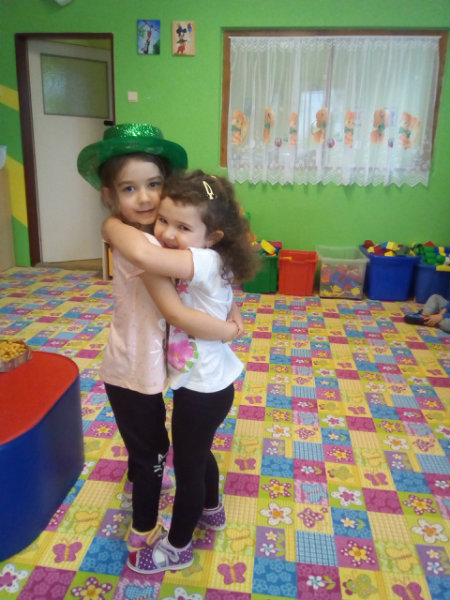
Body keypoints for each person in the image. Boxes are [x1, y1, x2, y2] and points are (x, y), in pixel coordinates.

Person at [77, 124, 243, 554]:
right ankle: (144, 526)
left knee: (175, 449)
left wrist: (232, 311)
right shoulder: (134, 238)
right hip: (135, 362)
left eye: (154, 185)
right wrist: (229, 328)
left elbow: (214, 272)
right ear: (110, 195)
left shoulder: (173, 237)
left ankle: (176, 507)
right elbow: (161, 277)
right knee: (154, 449)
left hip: (178, 368)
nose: (146, 199)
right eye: (129, 188)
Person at [102, 169, 258, 574]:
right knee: (199, 453)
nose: (169, 234)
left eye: (183, 227)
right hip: (208, 385)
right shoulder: (209, 258)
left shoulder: (203, 260)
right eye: (164, 221)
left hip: (203, 390)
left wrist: (111, 226)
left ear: (213, 237)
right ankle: (213, 508)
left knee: (187, 470)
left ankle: (178, 547)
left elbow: (151, 263)